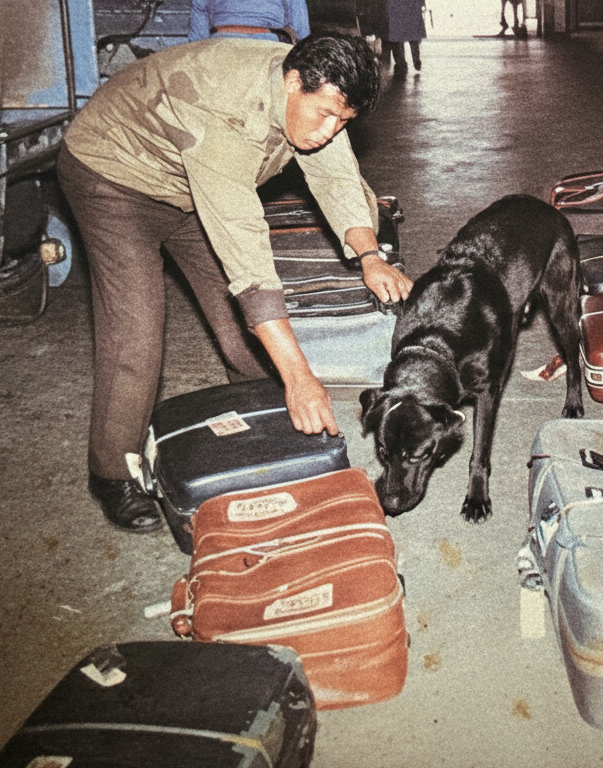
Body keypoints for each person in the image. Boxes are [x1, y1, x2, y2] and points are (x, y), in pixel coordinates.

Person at [57, 34, 413, 534]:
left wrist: (370, 255)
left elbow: (336, 176)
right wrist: (300, 376)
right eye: (326, 115)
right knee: (136, 331)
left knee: (243, 330)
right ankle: (111, 474)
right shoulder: (223, 114)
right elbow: (247, 255)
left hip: (186, 181)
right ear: (293, 81)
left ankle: (262, 427)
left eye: (344, 121)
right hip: (113, 178)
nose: (331, 130)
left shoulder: (310, 94)